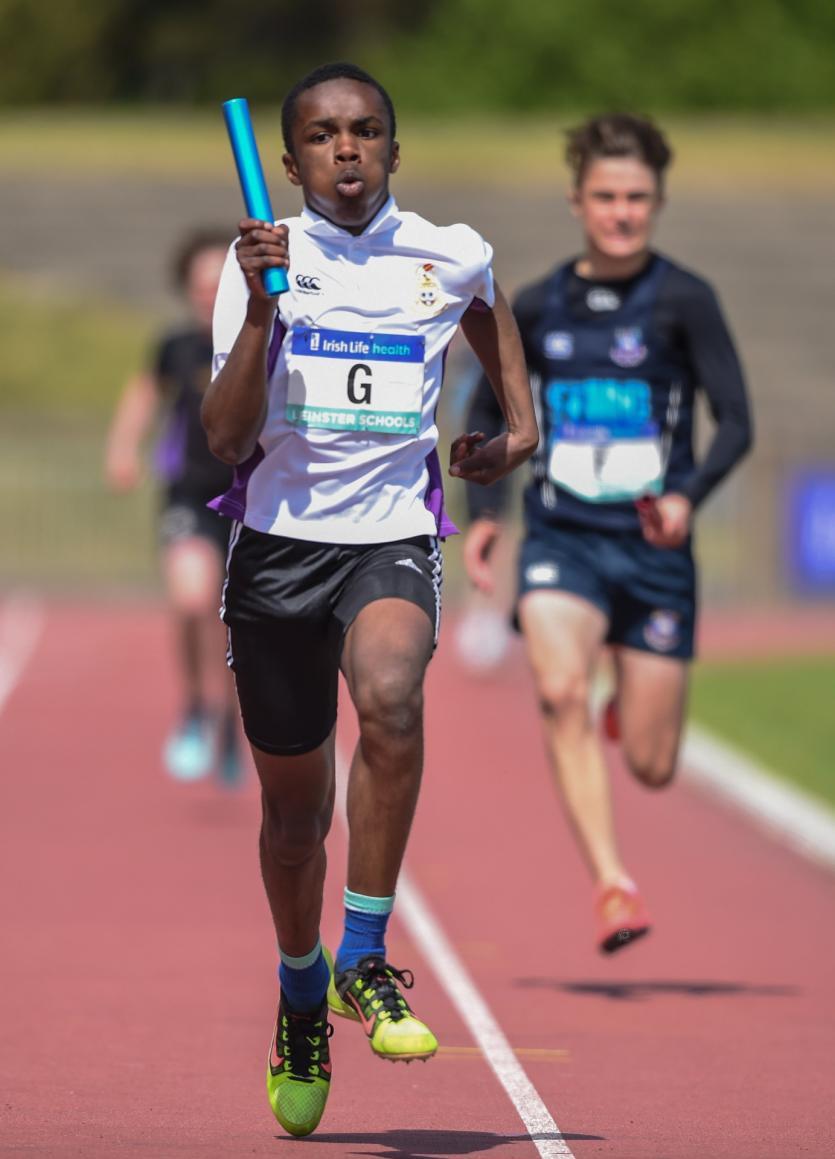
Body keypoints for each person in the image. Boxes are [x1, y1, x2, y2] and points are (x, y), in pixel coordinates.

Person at [201, 62, 537, 1137]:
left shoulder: (447, 250)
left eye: (364, 130)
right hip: (276, 554)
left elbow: (486, 304)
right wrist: (264, 311)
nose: (345, 149)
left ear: (394, 148)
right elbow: (225, 438)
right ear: (290, 158)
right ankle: (302, 989)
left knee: (392, 698)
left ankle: (362, 953)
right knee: (294, 819)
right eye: (321, 134)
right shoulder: (261, 263)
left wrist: (519, 422)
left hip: (389, 534)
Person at [462, 113, 753, 955]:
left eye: (636, 198)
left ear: (656, 202)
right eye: (605, 196)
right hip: (563, 539)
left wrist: (688, 497)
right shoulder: (538, 304)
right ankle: (611, 883)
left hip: (654, 552)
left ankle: (630, 702)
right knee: (559, 691)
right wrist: (487, 518)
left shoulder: (685, 300)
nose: (620, 212)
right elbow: (490, 410)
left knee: (653, 767)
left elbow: (735, 422)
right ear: (576, 201)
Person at [104, 230, 243, 785]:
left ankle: (231, 720)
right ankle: (195, 706)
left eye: (219, 283)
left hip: (248, 502)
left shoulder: (259, 342)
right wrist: (122, 447)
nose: (209, 294)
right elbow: (144, 393)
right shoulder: (176, 346)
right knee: (191, 600)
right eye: (199, 285)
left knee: (234, 623)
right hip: (189, 494)